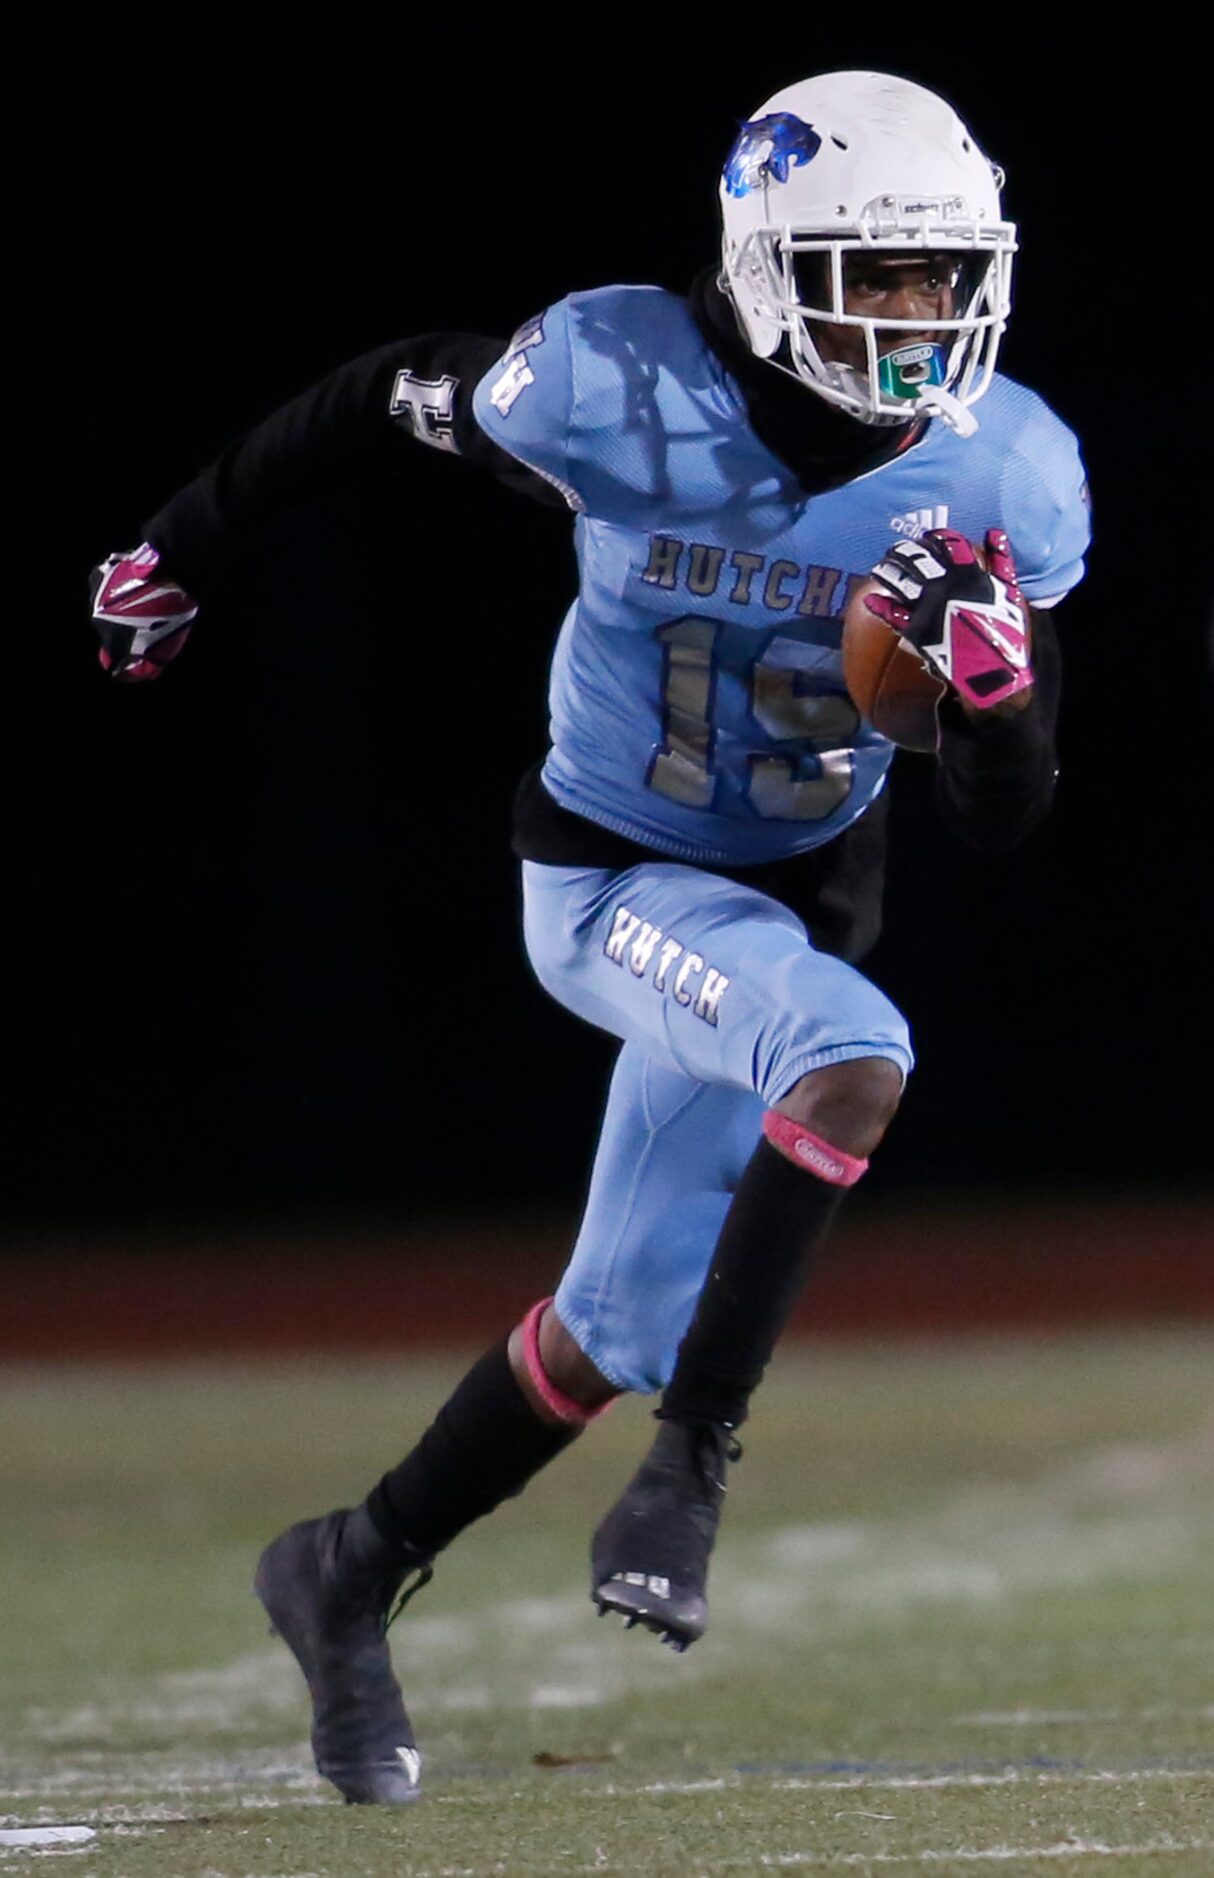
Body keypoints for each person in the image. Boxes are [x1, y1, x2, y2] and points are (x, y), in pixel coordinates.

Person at [90, 71, 1089, 1805]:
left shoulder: (1005, 469)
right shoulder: (613, 387)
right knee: (852, 1055)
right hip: (611, 871)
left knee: (607, 1322)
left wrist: (996, 705)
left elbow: (999, 819)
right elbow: (367, 400)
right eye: (881, 274)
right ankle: (692, 1467)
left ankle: (347, 1563)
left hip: (800, 895)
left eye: (943, 278)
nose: (921, 320)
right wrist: (179, 549)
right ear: (770, 262)